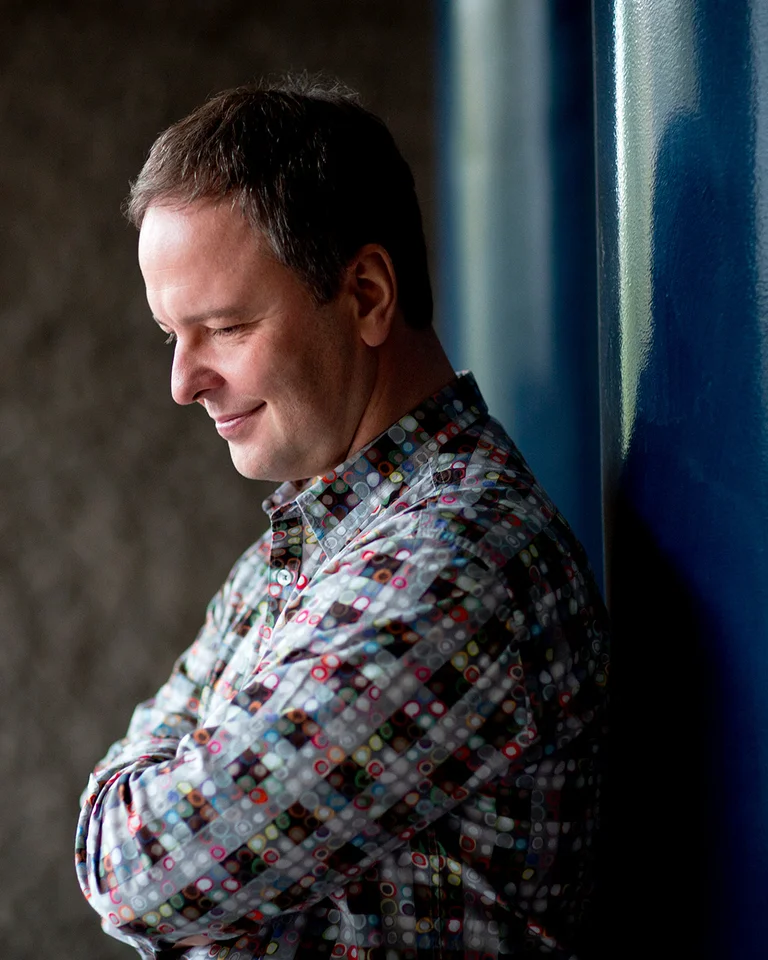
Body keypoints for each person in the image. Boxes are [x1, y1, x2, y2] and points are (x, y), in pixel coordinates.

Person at [75, 76, 609, 960]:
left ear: (365, 295)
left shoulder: (449, 566)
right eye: (172, 334)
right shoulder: (312, 541)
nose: (182, 383)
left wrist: (165, 778)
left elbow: (136, 867)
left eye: (225, 327)